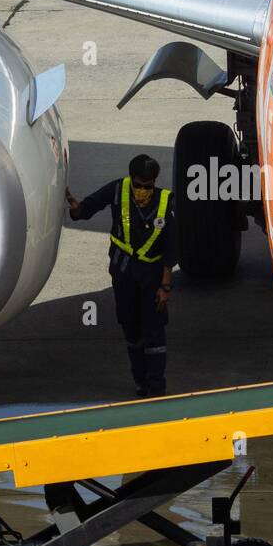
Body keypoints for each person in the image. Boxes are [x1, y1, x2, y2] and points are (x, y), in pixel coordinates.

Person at [66, 154, 177, 397]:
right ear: (131, 178)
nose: (142, 190)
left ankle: (156, 386)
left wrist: (165, 286)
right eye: (138, 184)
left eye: (148, 186)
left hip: (152, 275)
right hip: (124, 271)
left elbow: (172, 246)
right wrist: (76, 210)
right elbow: (89, 206)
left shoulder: (166, 201)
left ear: (155, 182)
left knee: (154, 332)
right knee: (130, 327)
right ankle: (140, 380)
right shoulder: (117, 190)